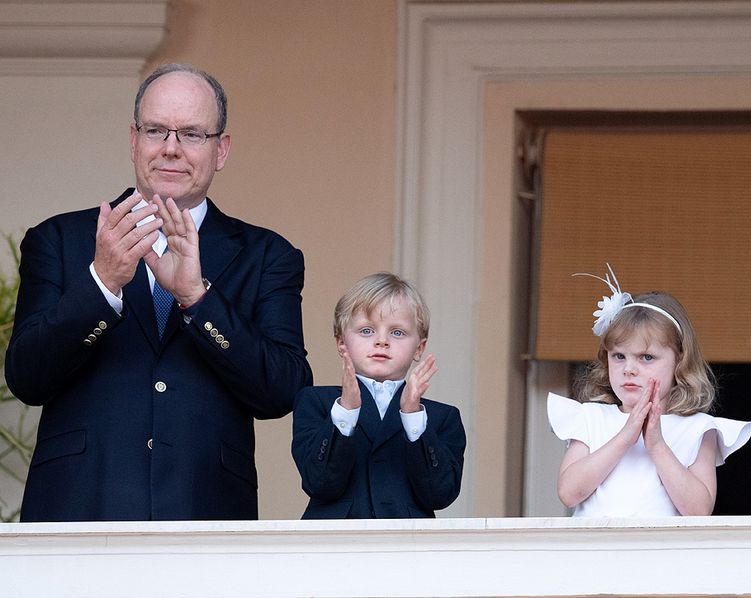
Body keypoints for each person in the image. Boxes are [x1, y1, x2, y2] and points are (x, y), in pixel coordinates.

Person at [4, 64, 313, 521]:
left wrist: (198, 298)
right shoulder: (60, 239)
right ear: (134, 140)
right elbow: (26, 377)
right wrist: (102, 284)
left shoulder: (268, 255)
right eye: (155, 130)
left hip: (205, 514)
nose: (171, 149)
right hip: (78, 510)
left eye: (191, 134)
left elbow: (285, 391)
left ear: (221, 149)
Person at [548, 267, 751, 517]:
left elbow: (699, 510)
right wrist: (625, 437)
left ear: (679, 361)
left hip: (663, 554)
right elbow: (569, 493)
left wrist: (656, 445)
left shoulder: (698, 429)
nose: (629, 369)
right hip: (597, 554)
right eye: (619, 356)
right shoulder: (590, 418)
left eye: (646, 357)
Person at [291, 272, 466, 519]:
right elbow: (319, 483)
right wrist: (346, 411)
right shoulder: (317, 402)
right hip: (333, 548)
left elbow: (439, 494)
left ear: (419, 348)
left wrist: (412, 417)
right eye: (366, 331)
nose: (382, 341)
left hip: (409, 549)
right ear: (342, 342)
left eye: (397, 333)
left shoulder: (441, 417)